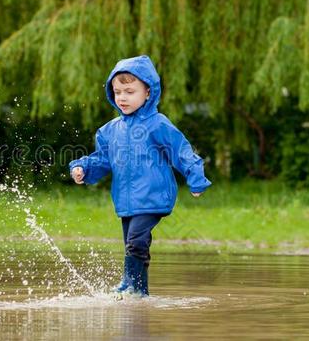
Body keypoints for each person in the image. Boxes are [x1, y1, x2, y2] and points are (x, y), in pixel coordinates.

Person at [69, 55, 212, 297]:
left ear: (148, 92)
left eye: (129, 91)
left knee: (135, 242)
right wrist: (83, 167)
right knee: (134, 247)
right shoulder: (109, 131)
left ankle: (128, 283)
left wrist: (195, 177)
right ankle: (141, 295)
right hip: (126, 202)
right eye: (117, 92)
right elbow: (102, 159)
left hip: (153, 197)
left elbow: (181, 151)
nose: (122, 97)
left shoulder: (158, 124)